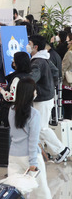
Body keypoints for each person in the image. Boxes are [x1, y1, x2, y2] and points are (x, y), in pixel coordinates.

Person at [7, 78, 60, 199]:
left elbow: (13, 135)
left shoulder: (11, 111)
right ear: (30, 93)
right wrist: (33, 163)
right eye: (34, 90)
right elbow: (32, 140)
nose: (36, 92)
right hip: (30, 157)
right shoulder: (34, 114)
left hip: (14, 156)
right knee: (42, 189)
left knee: (11, 192)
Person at [28, 35, 70, 163]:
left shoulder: (37, 62)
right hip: (47, 97)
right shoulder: (44, 58)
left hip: (42, 99)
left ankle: (61, 150)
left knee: (41, 128)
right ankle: (41, 153)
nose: (27, 45)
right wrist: (50, 85)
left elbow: (31, 80)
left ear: (35, 46)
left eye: (29, 43)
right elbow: (56, 72)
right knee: (39, 127)